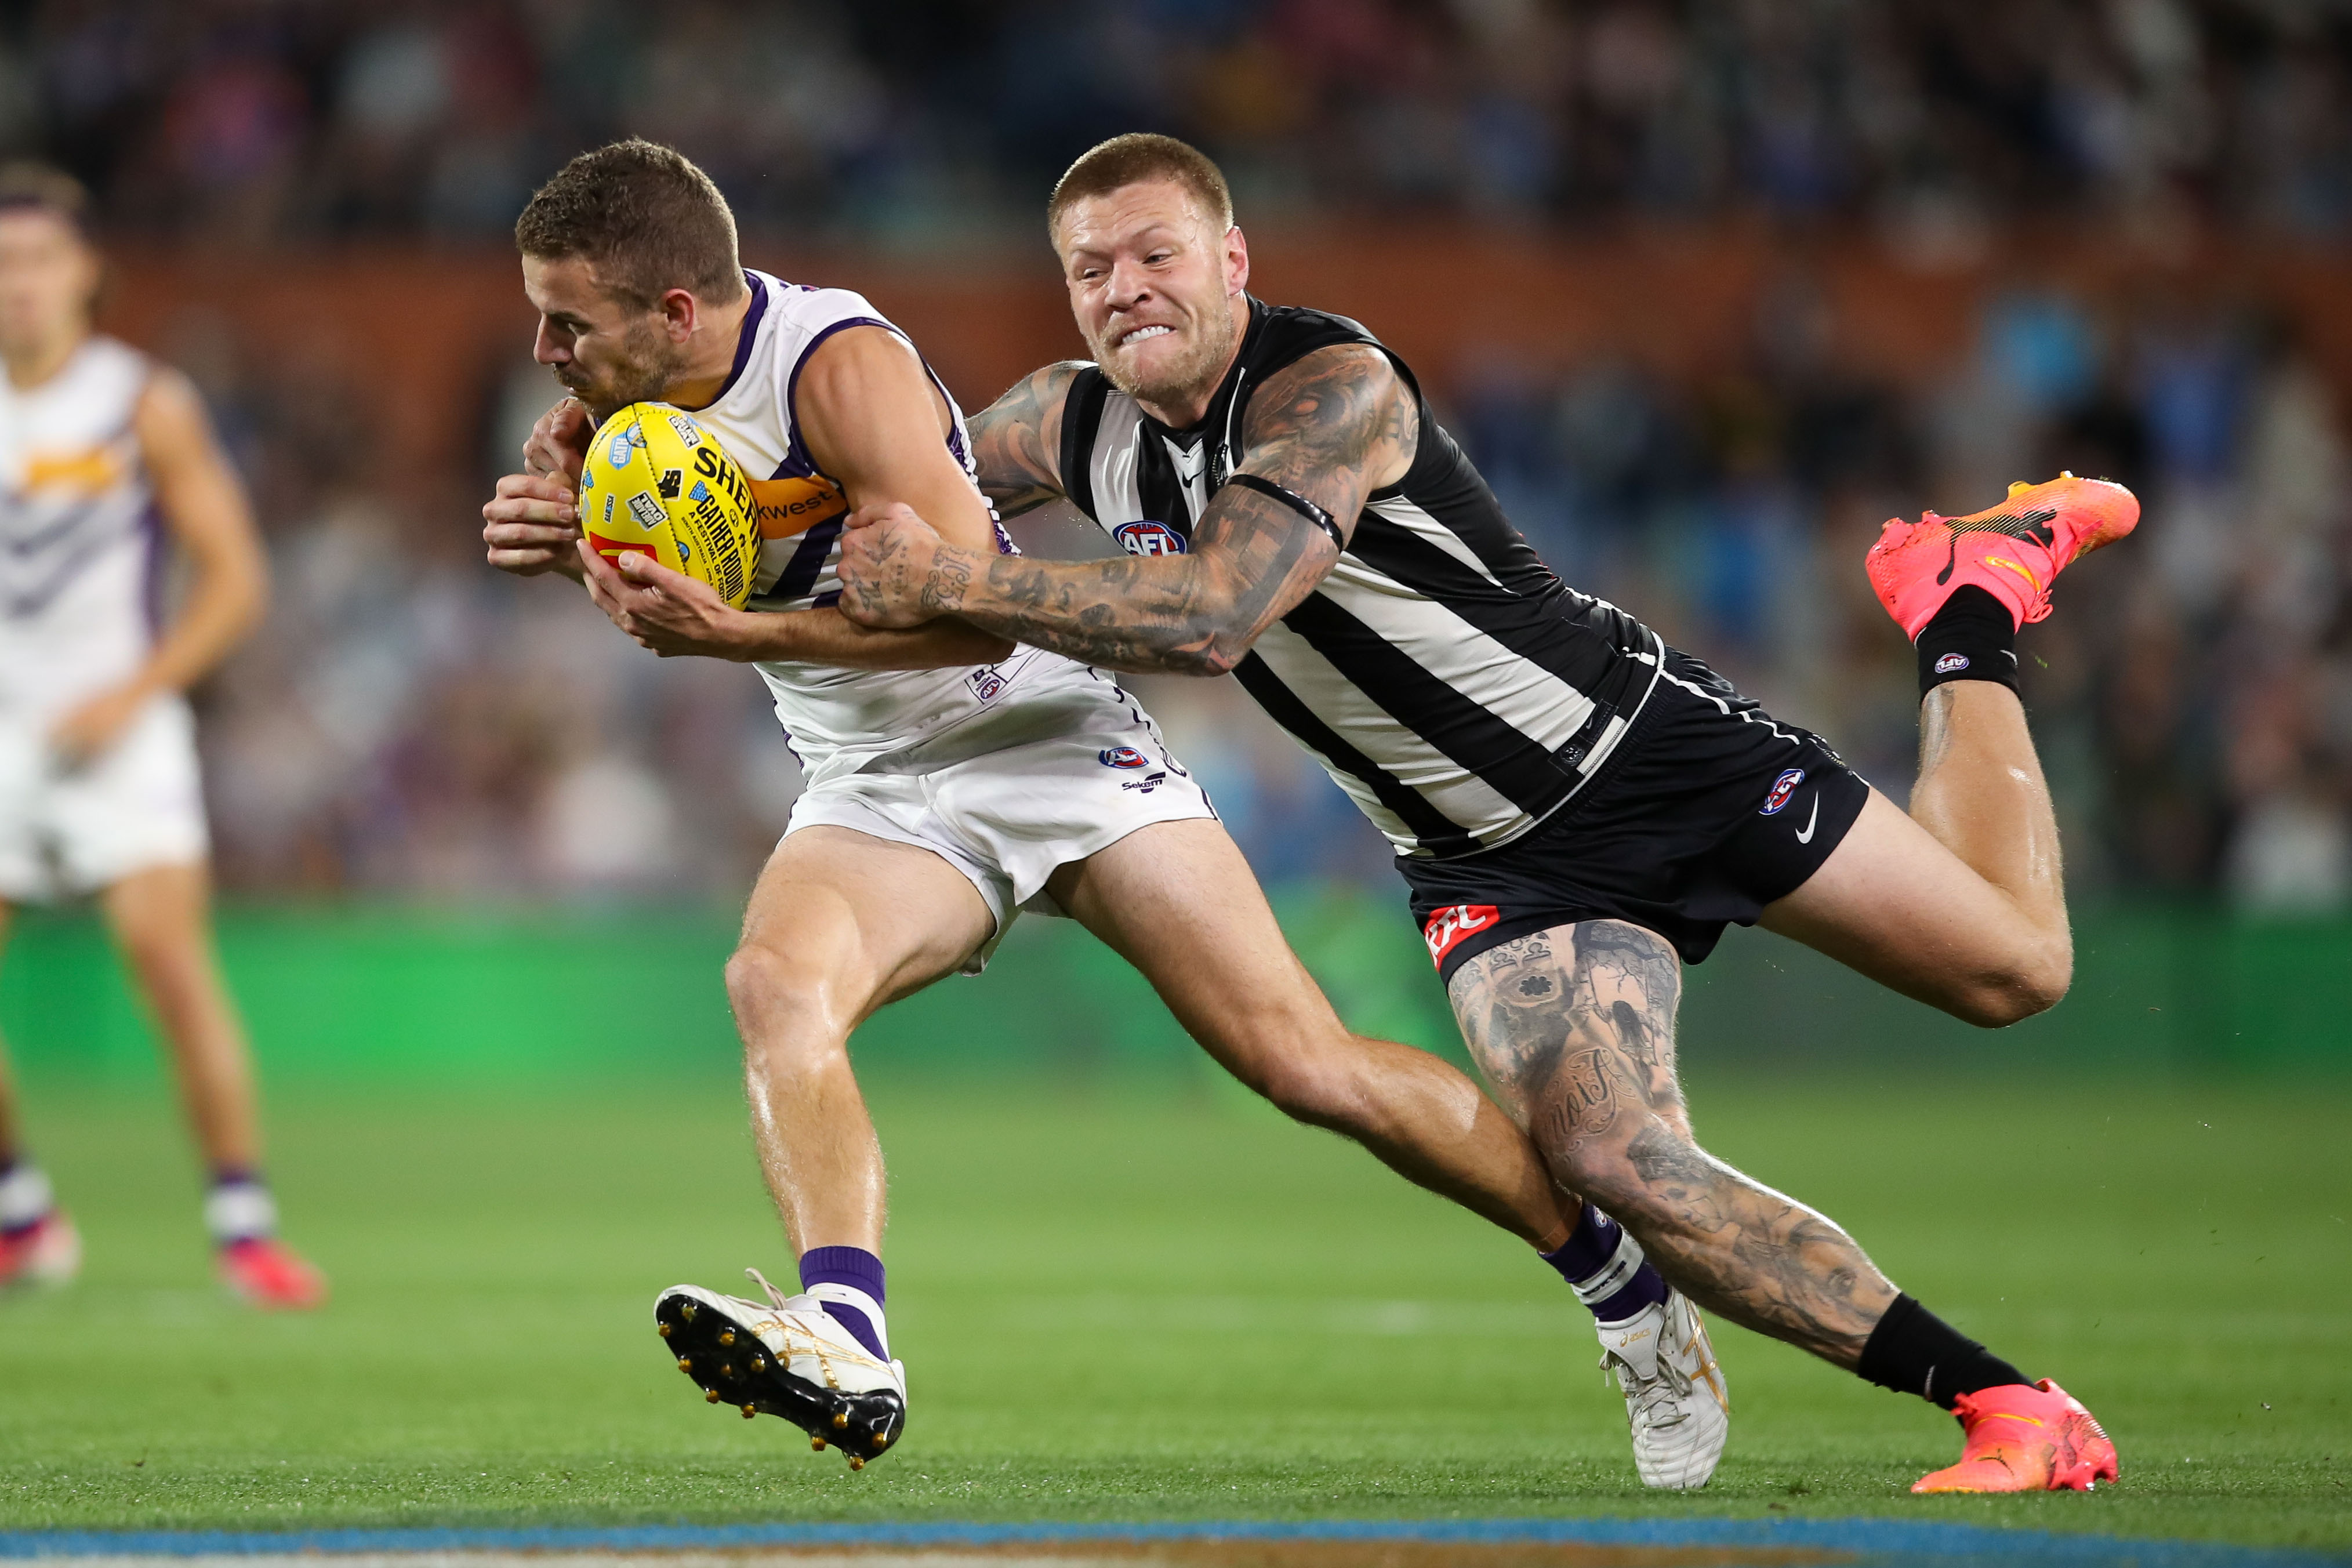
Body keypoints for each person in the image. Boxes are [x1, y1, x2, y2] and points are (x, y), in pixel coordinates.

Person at [832, 132, 2125, 1496]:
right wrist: (656, 488)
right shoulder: (1062, 421)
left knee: (2018, 971)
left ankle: (1969, 599)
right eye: (1091, 269)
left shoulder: (1329, 387)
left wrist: (952, 583)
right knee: (1613, 1155)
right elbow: (879, 478)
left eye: (1157, 255)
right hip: (1481, 864)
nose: (1125, 288)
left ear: (1232, 261)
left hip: (1639, 747)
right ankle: (2005, 1402)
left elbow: (1213, 613)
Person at [480, 140, 1724, 1484]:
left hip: (1036, 726)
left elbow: (960, 617)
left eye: (565, 317)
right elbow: (701, 570)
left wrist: (737, 636)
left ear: (674, 312)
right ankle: (848, 1330)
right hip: (872, 777)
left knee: (1301, 1060)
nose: (542, 345)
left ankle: (1623, 1288)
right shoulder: (619, 409)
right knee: (774, 986)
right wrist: (589, 556)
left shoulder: (839, 370)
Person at [0, 164, 324, 1309]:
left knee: (170, 966)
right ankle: (22, 1214)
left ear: (87, 273)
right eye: (4, 265)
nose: (20, 286)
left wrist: (137, 690)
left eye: (39, 261)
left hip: (121, 724)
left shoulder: (141, 401)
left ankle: (245, 1226)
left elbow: (236, 578)